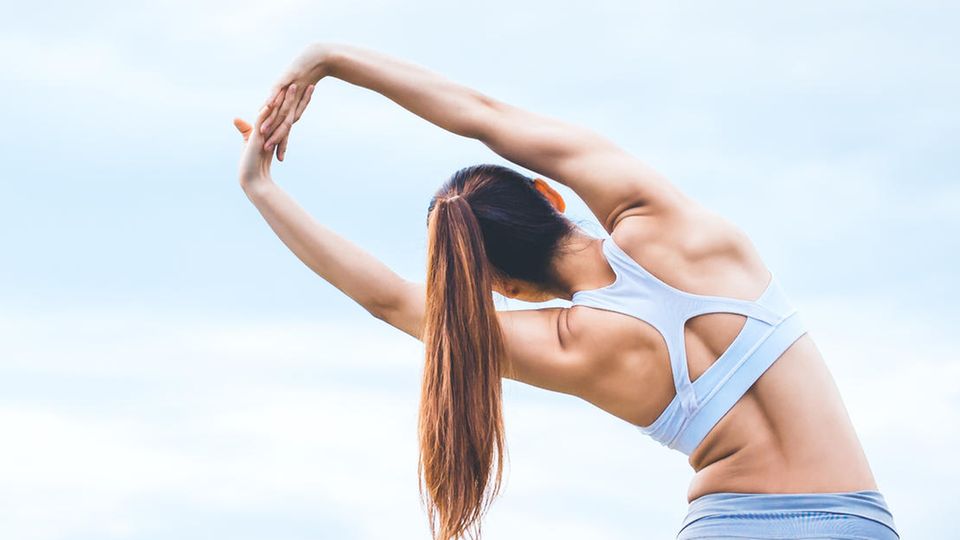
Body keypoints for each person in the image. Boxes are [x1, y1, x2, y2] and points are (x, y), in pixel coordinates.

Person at [232, 42, 900, 540]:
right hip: (861, 521)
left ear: (510, 289)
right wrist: (329, 60)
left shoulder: (572, 344)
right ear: (547, 197)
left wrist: (261, 188)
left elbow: (390, 302)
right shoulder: (662, 219)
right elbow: (480, 114)